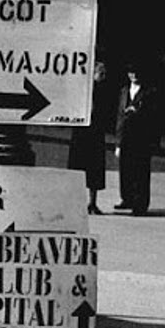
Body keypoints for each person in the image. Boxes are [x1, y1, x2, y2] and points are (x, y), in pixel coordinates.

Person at [114, 62, 160, 216]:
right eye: (131, 73)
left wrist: (138, 112)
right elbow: (120, 117)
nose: (134, 76)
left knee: (140, 172)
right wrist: (118, 142)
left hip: (141, 138)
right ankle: (126, 198)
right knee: (125, 170)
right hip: (126, 136)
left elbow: (154, 116)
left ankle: (140, 204)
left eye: (136, 73)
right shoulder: (124, 91)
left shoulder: (149, 92)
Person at [68, 59, 112, 214]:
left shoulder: (104, 91)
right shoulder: (83, 90)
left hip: (95, 133)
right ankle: (77, 202)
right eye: (101, 73)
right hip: (82, 133)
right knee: (78, 169)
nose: (103, 76)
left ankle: (92, 202)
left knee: (95, 171)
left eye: (104, 74)